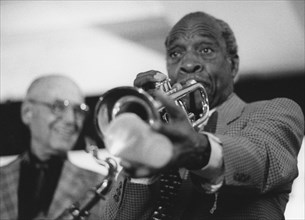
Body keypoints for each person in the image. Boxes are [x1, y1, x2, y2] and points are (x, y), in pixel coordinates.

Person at [100, 11, 304, 220]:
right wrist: (140, 155)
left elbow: (258, 159)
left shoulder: (275, 111)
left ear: (232, 65)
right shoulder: (154, 135)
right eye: (175, 54)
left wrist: (200, 150)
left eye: (206, 50)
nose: (188, 64)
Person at [0, 74, 105, 220]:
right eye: (59, 107)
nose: (71, 120)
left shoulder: (101, 187)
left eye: (79, 111)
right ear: (27, 113)